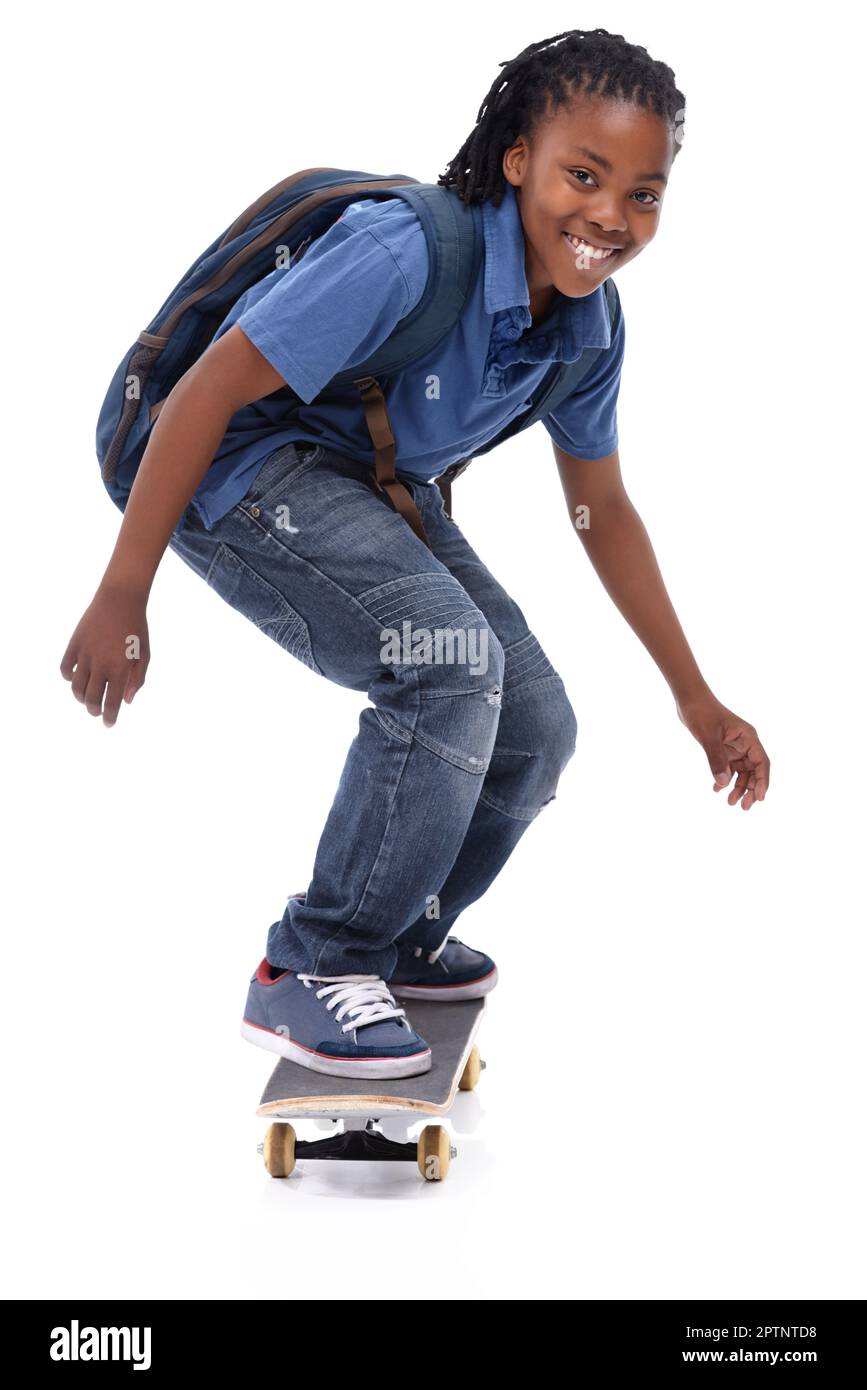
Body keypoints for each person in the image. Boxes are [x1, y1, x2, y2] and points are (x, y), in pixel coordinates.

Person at [60, 28, 770, 1082]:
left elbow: (603, 509)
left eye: (645, 193)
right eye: (586, 174)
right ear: (518, 159)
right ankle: (313, 962)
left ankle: (403, 934)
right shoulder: (408, 252)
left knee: (535, 726)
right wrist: (125, 586)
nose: (611, 218)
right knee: (449, 662)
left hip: (362, 476)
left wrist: (695, 696)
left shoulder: (588, 331)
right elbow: (206, 392)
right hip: (230, 464)